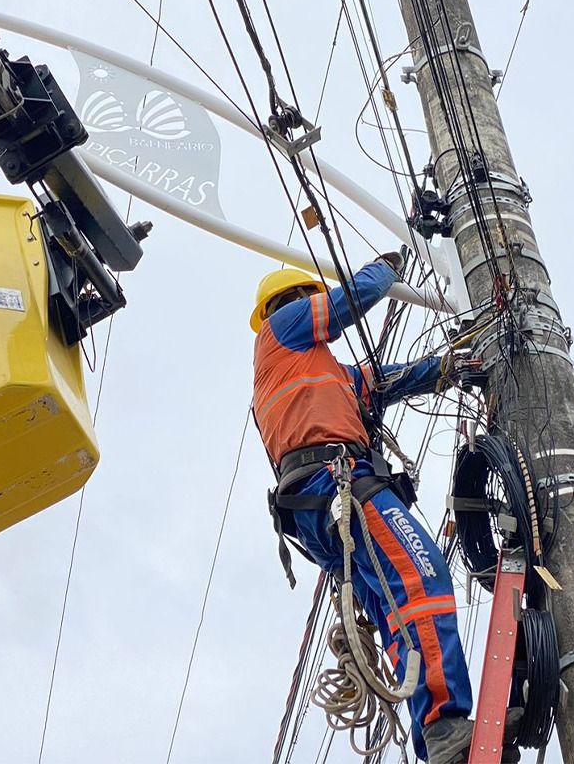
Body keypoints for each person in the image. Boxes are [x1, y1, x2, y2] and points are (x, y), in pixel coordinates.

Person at [251, 254, 480, 764]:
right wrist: (387, 265)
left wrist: (447, 368)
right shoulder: (280, 331)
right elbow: (352, 298)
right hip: (338, 485)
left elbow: (384, 379)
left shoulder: (317, 370)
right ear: (290, 303)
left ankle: (438, 733)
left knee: (397, 606)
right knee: (421, 575)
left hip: (317, 504)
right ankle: (443, 723)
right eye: (308, 298)